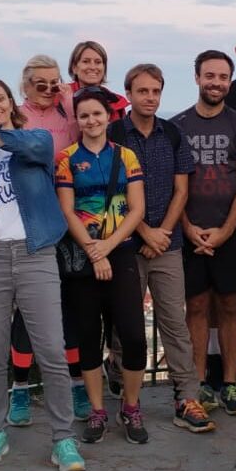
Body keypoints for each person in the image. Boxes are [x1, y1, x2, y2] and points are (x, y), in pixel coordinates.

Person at [0, 78, 86, 471]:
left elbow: (31, 147)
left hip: (34, 252)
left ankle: (63, 439)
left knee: (51, 350)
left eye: (0, 99)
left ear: (11, 103)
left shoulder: (35, 139)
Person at [109, 64, 215, 433]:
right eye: (143, 91)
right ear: (129, 94)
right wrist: (144, 232)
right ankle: (126, 391)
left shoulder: (172, 133)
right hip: (126, 244)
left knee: (174, 322)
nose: (150, 98)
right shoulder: (113, 134)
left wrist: (163, 233)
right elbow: (112, 192)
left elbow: (181, 189)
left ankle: (187, 397)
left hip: (167, 245)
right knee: (126, 324)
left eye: (156, 91)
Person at [55, 87, 148, 444]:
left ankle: (131, 405)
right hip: (84, 256)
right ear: (77, 120)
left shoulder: (126, 156)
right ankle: (97, 410)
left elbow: (137, 208)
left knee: (134, 336)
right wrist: (95, 253)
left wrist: (107, 247)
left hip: (120, 250)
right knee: (87, 337)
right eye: (84, 115)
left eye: (97, 114)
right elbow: (67, 210)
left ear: (109, 117)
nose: (91, 120)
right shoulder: (66, 159)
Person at [173, 50, 236, 417]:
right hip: (189, 231)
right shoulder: (177, 126)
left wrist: (225, 231)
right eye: (210, 76)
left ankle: (230, 383)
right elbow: (172, 184)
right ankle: (197, 385)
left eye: (223, 77)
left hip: (230, 232)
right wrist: (187, 227)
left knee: (229, 306)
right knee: (194, 306)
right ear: (197, 78)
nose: (216, 83)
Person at [12, 54, 84, 422]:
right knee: (28, 308)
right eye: (40, 83)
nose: (48, 89)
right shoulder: (16, 117)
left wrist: (69, 105)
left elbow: (87, 145)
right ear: (25, 85)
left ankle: (77, 383)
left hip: (70, 221)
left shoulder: (68, 116)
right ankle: (20, 388)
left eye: (55, 82)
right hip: (30, 223)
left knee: (70, 304)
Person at [67, 39, 130, 121]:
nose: (93, 67)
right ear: (74, 68)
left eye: (98, 62)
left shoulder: (116, 102)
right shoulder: (59, 98)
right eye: (86, 61)